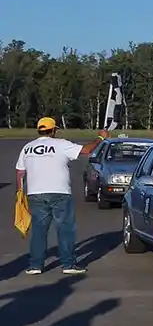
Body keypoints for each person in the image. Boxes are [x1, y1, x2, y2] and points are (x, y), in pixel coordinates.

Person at [16, 117, 108, 276]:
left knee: (39, 231)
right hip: (59, 192)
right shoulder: (61, 144)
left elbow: (20, 172)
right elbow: (86, 150)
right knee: (65, 229)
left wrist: (19, 193)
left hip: (35, 193)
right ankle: (68, 264)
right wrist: (100, 138)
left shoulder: (28, 148)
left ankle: (35, 266)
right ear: (53, 131)